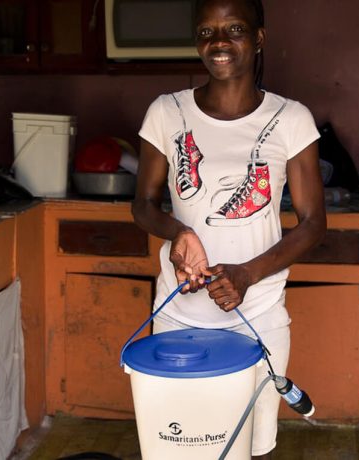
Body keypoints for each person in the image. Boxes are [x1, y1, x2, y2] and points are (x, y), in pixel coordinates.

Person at [132, 0, 326, 458]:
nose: (218, 43)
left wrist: (247, 274)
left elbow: (314, 223)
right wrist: (179, 233)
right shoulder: (167, 112)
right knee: (180, 444)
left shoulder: (290, 119)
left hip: (257, 316)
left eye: (234, 29)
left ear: (259, 37)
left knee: (251, 448)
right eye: (206, 32)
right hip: (178, 315)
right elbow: (142, 204)